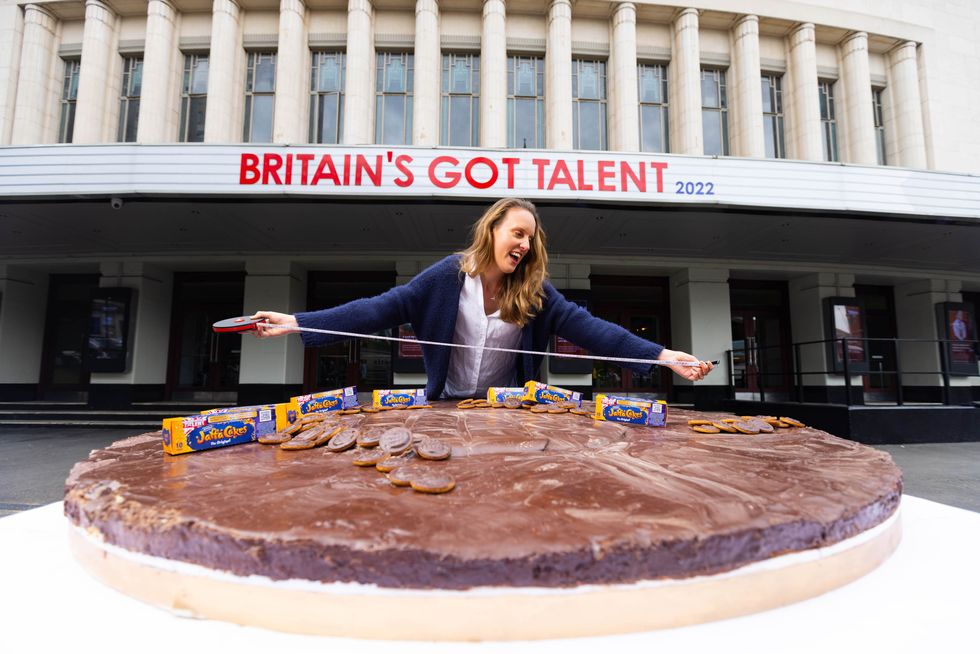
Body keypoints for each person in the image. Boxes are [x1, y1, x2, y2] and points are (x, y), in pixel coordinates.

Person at [251, 197, 714, 399]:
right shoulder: (443, 279)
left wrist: (662, 356)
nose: (525, 245)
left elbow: (592, 330)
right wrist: (296, 321)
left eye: (531, 239)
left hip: (507, 411)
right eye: (517, 233)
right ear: (491, 230)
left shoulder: (536, 294)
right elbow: (377, 309)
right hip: (445, 406)